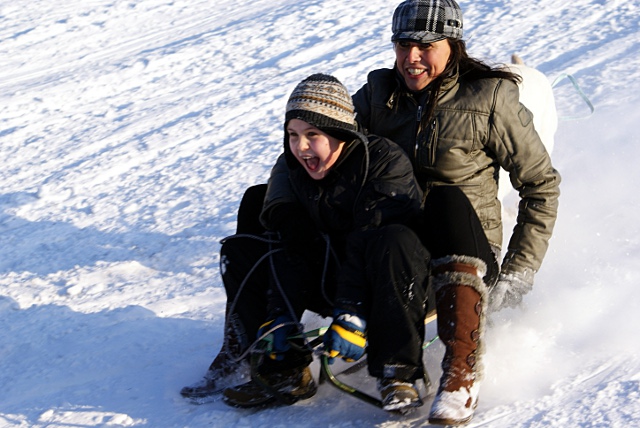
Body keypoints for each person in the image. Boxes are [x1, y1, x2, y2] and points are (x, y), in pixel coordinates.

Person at [183, 0, 561, 424]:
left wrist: (518, 271)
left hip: (456, 243)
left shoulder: (489, 98)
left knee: (445, 198)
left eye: (425, 46)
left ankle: (460, 370)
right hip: (385, 232)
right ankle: (262, 348)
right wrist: (287, 211)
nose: (410, 58)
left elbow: (541, 186)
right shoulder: (381, 94)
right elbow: (318, 136)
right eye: (402, 45)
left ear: (452, 44)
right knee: (262, 199)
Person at [189, 73, 433, 412]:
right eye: (293, 135)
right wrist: (280, 315)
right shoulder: (295, 168)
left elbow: (369, 243)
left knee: (393, 239)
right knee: (243, 247)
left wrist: (352, 311)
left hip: (392, 281)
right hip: (332, 274)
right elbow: (288, 248)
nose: (300, 146)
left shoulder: (381, 161)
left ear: (340, 132)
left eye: (312, 135)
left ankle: (397, 374)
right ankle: (274, 363)